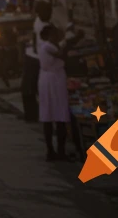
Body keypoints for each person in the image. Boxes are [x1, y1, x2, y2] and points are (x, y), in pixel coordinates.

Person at [38, 23, 81, 161]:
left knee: (54, 114)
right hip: (53, 80)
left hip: (52, 79)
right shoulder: (47, 46)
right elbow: (61, 54)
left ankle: (55, 150)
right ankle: (55, 151)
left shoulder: (48, 46)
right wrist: (71, 41)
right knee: (56, 114)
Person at [22, 0, 52, 123]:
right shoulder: (43, 24)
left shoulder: (42, 23)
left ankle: (33, 115)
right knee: (30, 89)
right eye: (48, 11)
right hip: (36, 59)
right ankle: (32, 115)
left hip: (36, 58)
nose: (50, 14)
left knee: (31, 89)